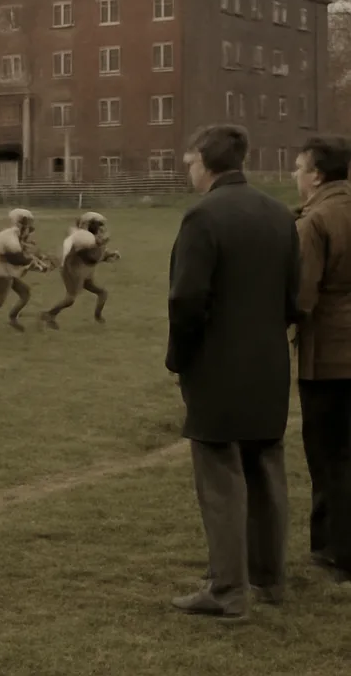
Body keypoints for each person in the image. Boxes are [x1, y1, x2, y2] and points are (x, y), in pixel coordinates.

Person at [166, 123, 301, 618]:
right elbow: (292, 297)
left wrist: (181, 357)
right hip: (268, 362)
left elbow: (186, 299)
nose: (187, 166)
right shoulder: (279, 214)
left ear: (205, 159)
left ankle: (227, 590)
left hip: (218, 366)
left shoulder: (203, 217)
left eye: (189, 158)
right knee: (266, 470)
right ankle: (268, 579)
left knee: (220, 476)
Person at [291, 134, 351, 585]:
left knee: (329, 455)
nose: (294, 174)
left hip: (330, 355)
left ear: (316, 174)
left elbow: (302, 296)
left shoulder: (315, 221)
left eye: (298, 166)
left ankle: (335, 550)